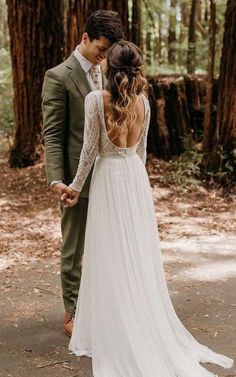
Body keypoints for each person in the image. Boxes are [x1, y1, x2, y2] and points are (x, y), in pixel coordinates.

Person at [62, 41, 233, 376]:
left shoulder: (95, 100)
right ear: (137, 68)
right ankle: (136, 319)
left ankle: (114, 328)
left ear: (108, 67)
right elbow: (140, 154)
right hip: (134, 181)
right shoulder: (143, 102)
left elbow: (88, 153)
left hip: (109, 178)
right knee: (135, 254)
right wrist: (138, 189)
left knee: (108, 252)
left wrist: (74, 189)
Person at [41, 10, 123, 337]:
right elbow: (53, 134)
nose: (104, 57)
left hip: (111, 176)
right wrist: (56, 179)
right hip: (76, 180)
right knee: (74, 248)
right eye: (100, 49)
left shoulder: (113, 73)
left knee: (109, 245)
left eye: (109, 52)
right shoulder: (59, 76)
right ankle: (72, 311)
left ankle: (103, 306)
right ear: (84, 37)